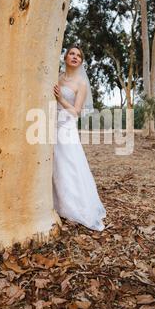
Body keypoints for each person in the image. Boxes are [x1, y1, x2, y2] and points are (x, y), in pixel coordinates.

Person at [52, 45, 106, 231]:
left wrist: (61, 100)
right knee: (54, 165)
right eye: (72, 54)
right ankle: (54, 203)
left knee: (69, 165)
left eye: (79, 56)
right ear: (65, 57)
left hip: (66, 127)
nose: (75, 57)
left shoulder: (81, 83)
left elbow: (76, 112)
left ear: (81, 62)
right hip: (49, 125)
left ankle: (73, 208)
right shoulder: (56, 76)